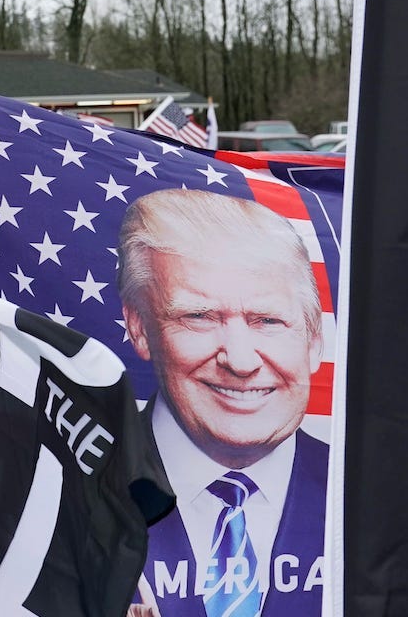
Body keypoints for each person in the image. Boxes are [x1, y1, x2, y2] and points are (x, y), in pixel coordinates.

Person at [117, 189, 327, 617]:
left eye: (267, 321)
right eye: (199, 317)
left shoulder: (371, 499)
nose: (241, 360)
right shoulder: (63, 495)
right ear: (139, 328)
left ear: (314, 339)